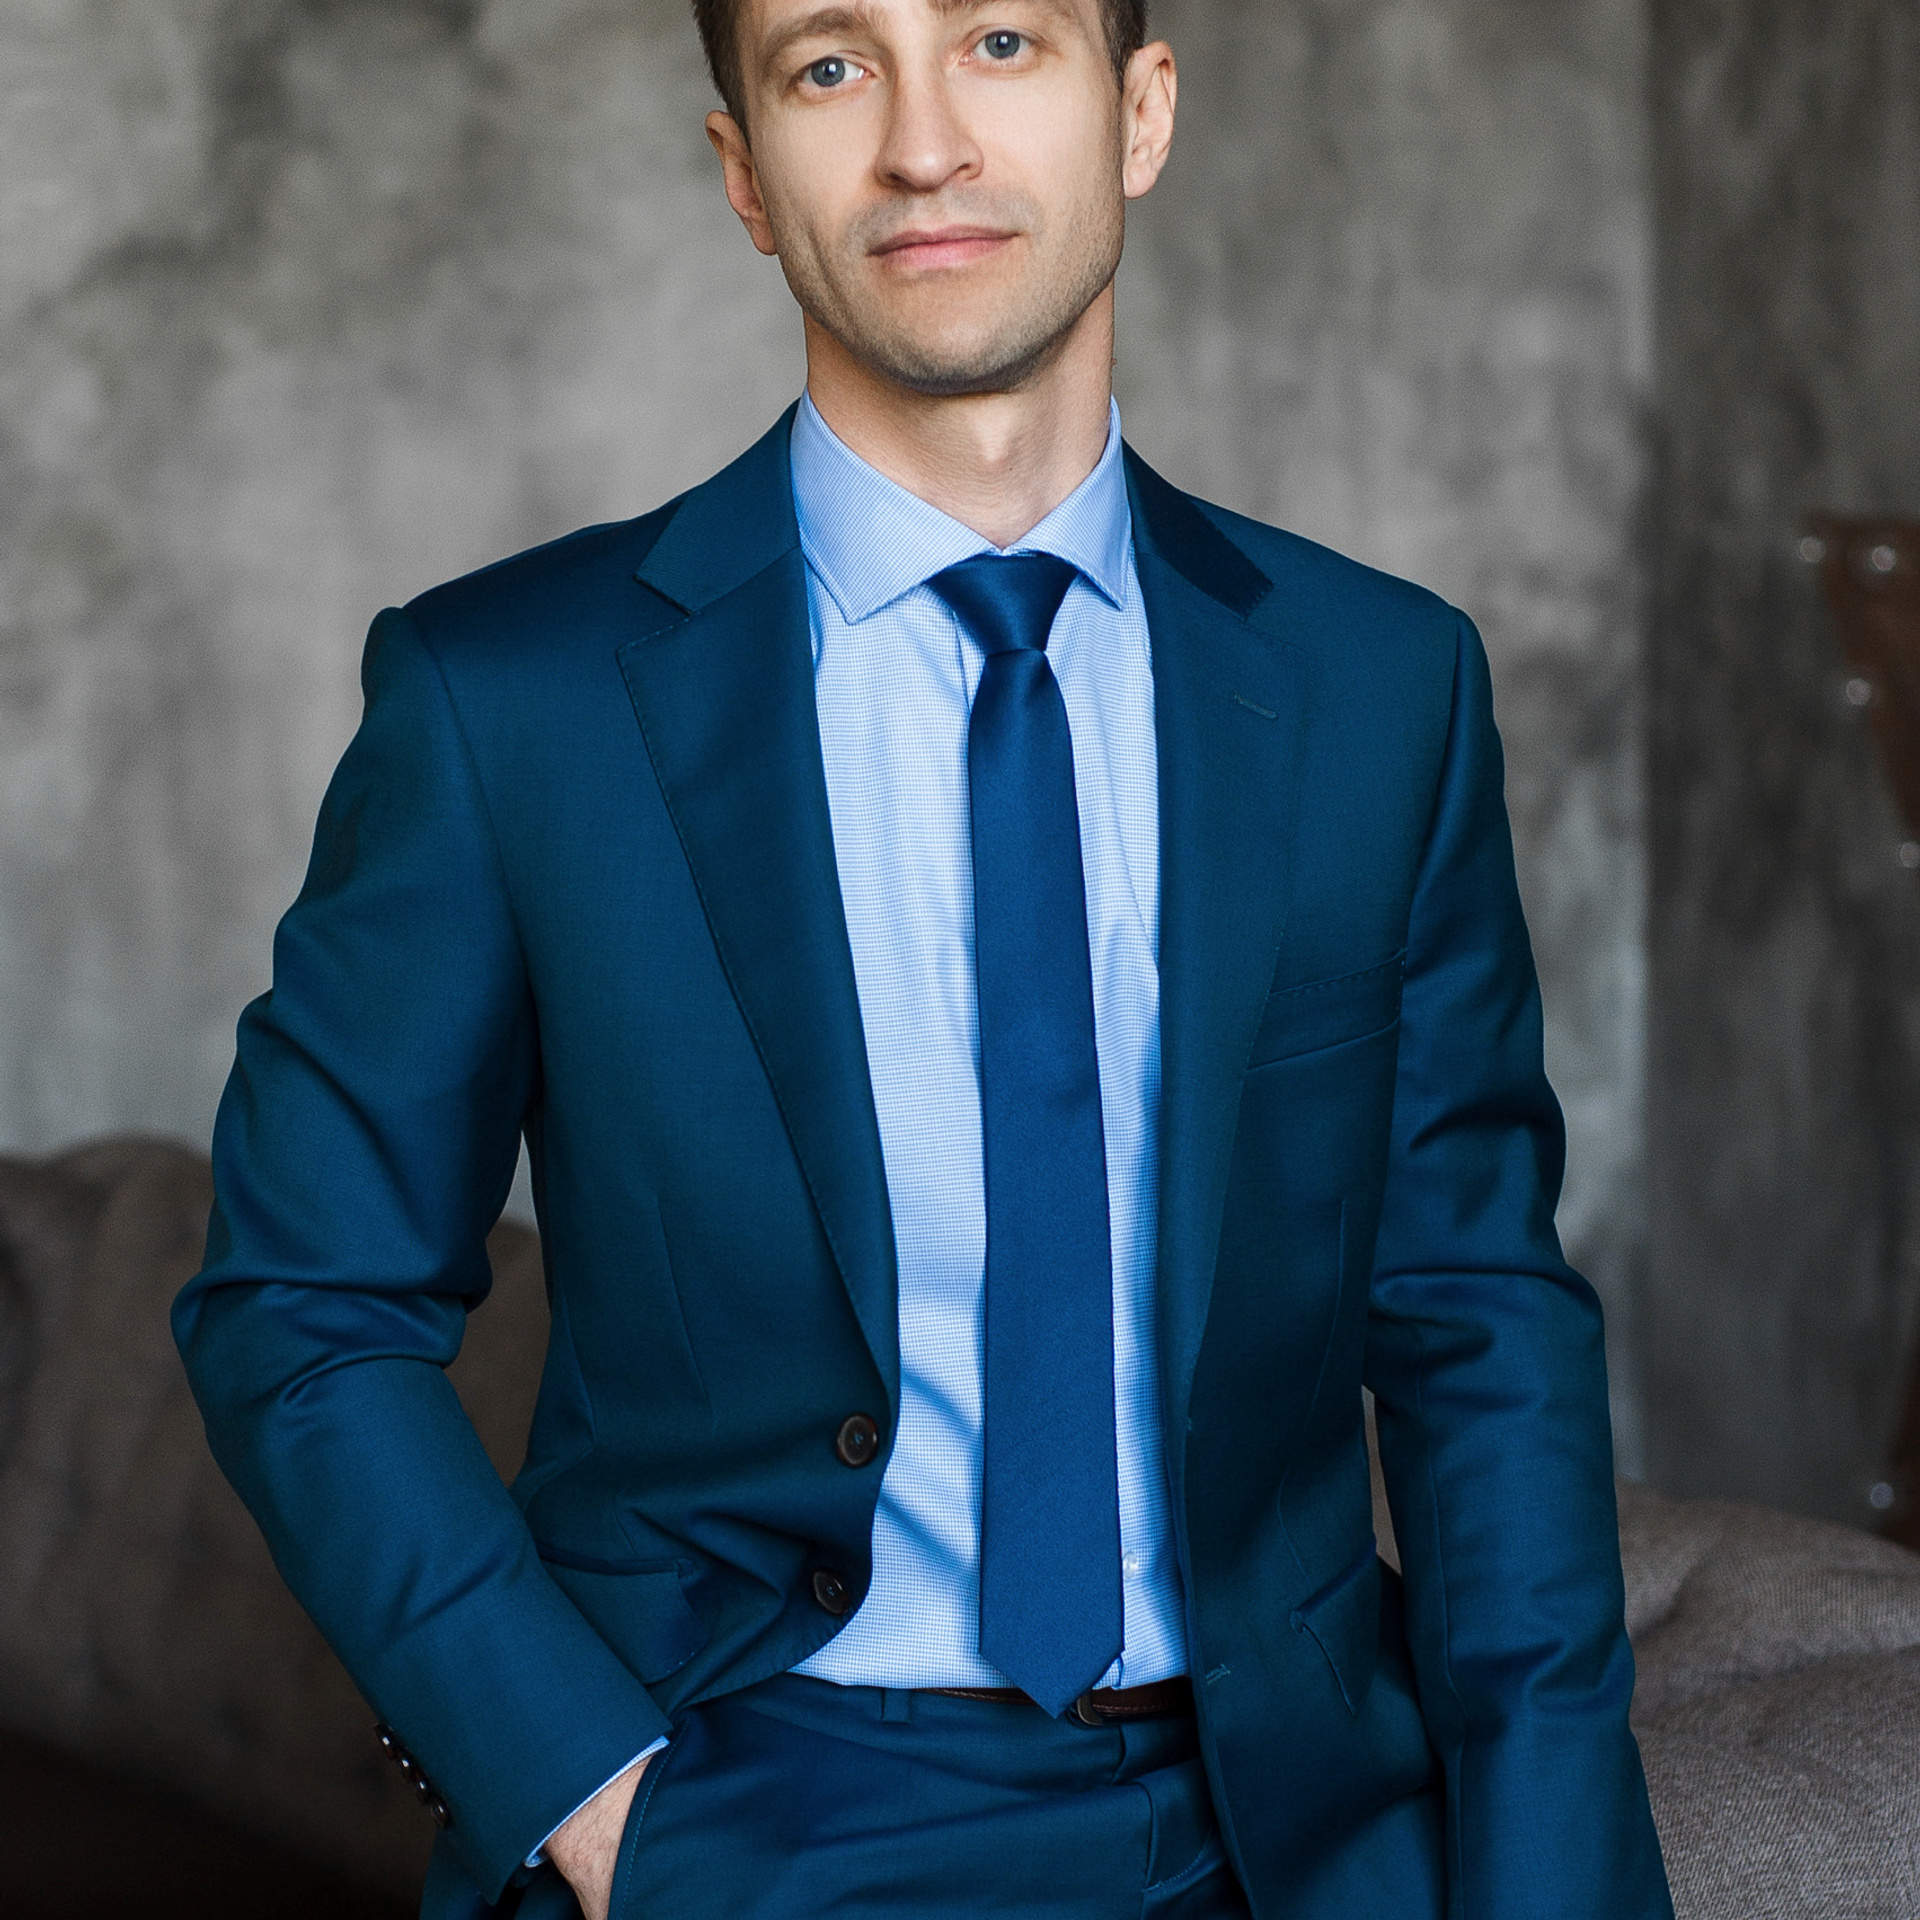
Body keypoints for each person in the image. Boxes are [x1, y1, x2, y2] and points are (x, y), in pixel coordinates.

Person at [173, 0, 1674, 1915]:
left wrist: (1551, 1880)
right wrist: (592, 1797)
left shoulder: (1381, 685)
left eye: (1002, 41)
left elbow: (1478, 1322)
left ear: (1141, 111)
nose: (922, 141)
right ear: (744, 175)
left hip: (1298, 1819)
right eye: (831, 64)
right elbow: (299, 1305)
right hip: (759, 1809)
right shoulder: (510, 702)